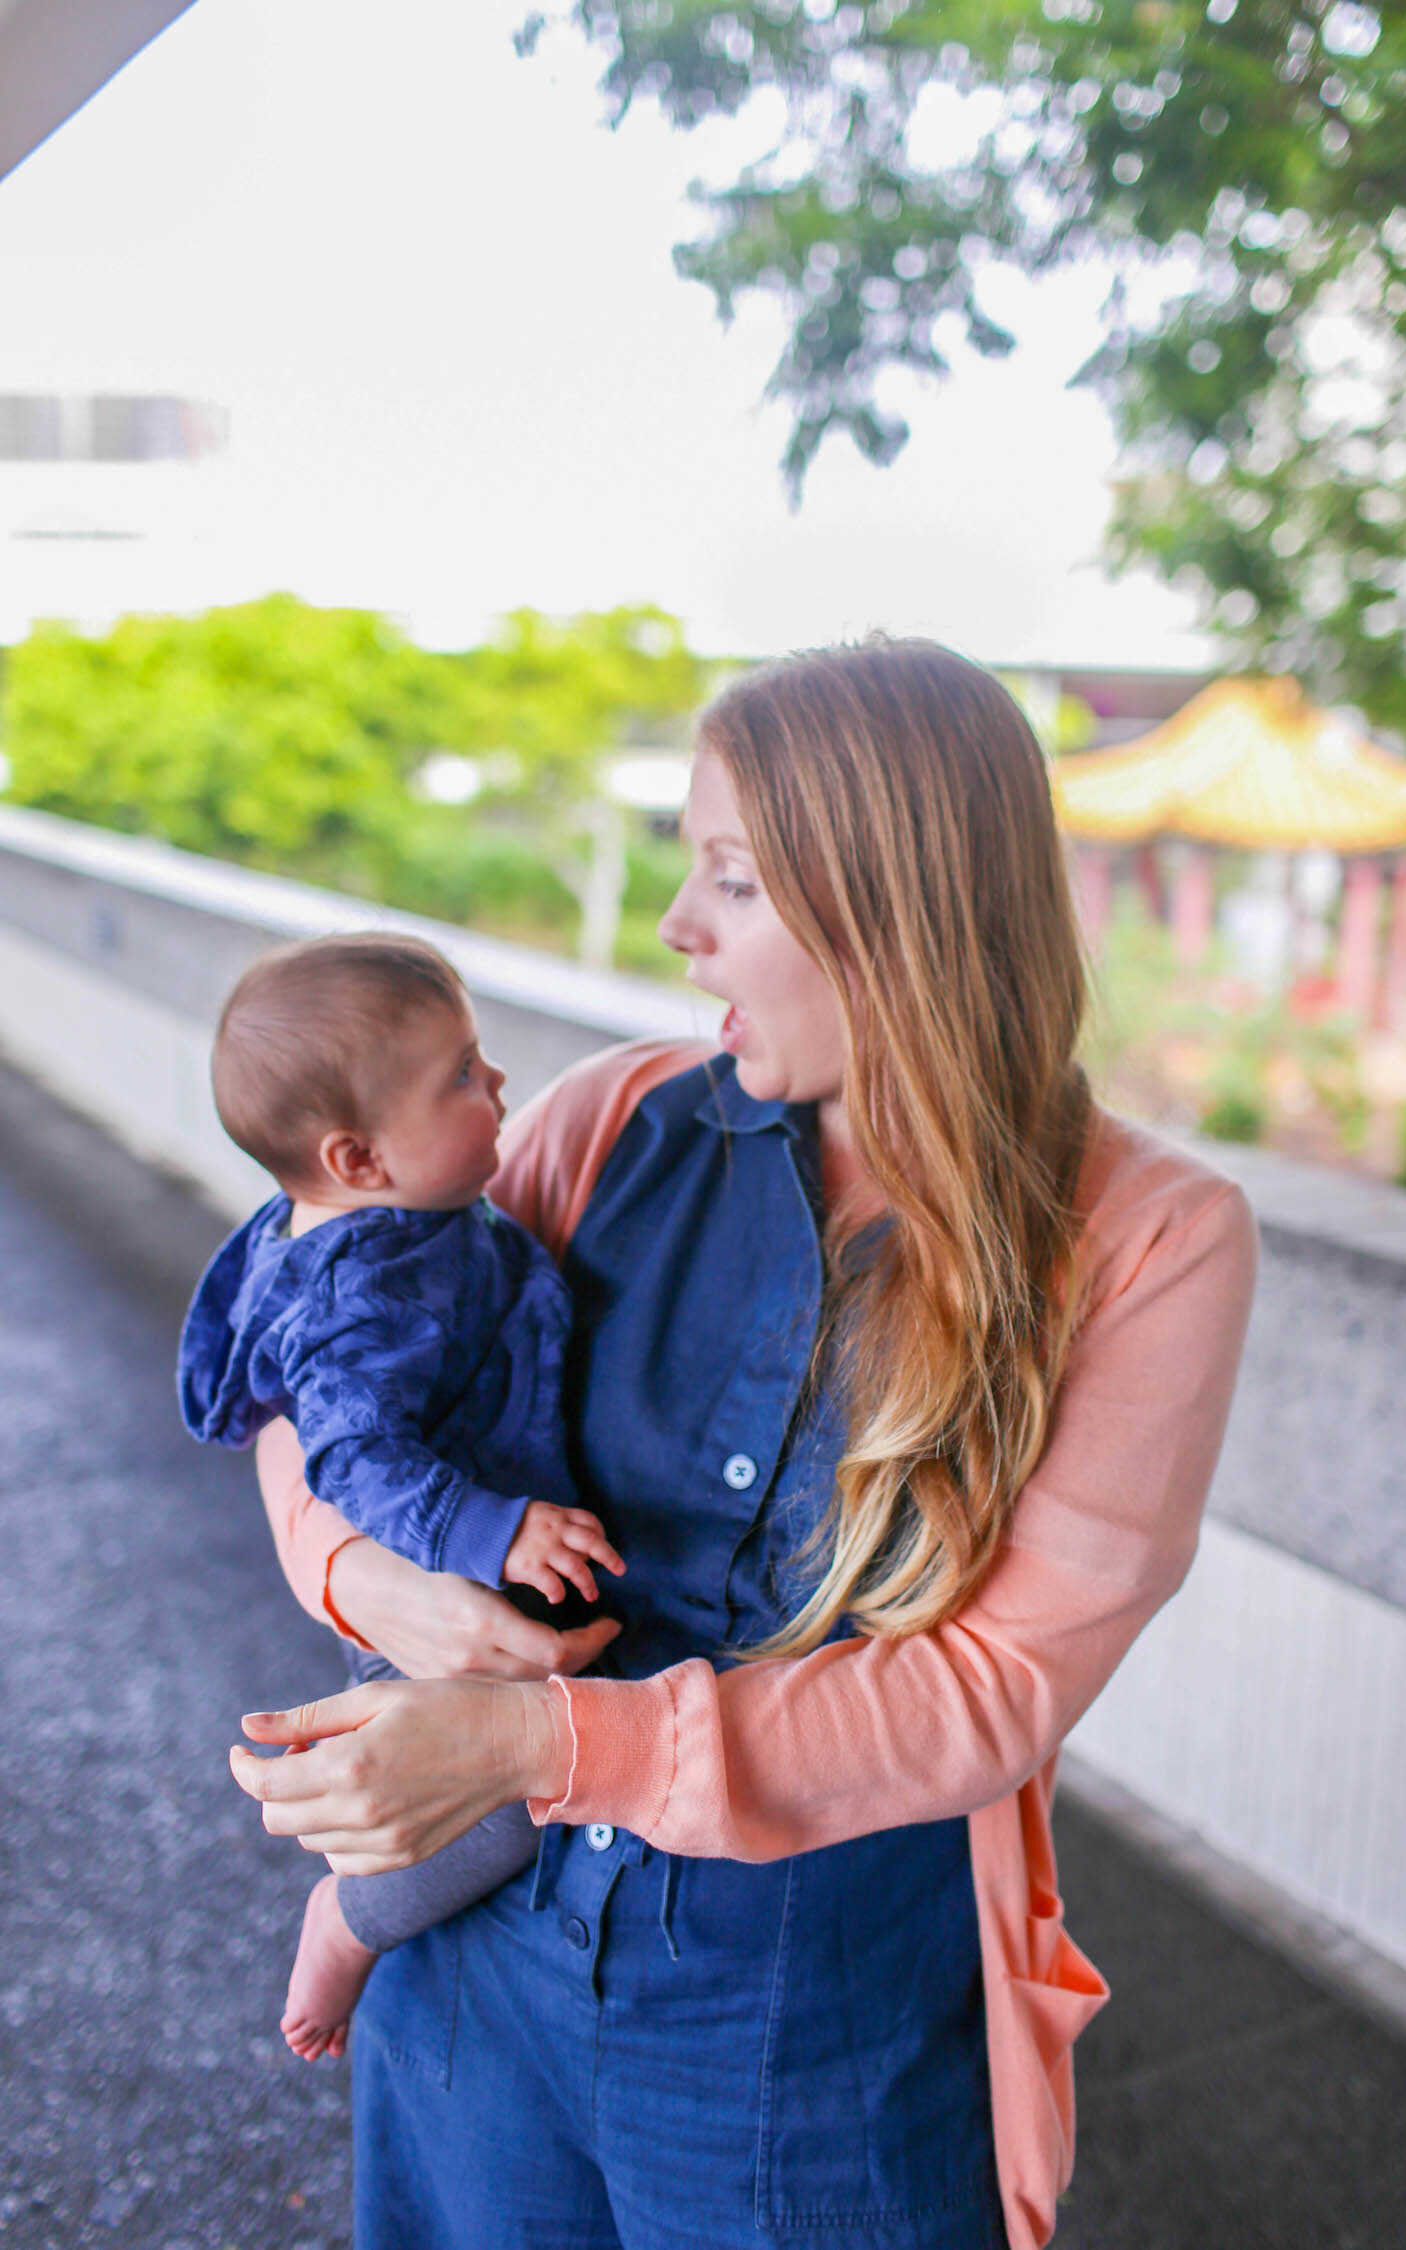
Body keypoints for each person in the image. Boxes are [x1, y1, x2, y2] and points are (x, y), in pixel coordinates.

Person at [230, 638, 1258, 2250]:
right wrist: (368, 1575)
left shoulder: (1151, 1239)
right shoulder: (602, 1118)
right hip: (470, 1953)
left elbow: (988, 1693)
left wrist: (537, 1747)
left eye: (732, 878)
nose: (674, 926)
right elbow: (314, 1363)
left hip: (811, 2034)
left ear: (894, 907)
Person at [178, 931, 623, 2060]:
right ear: (361, 1159)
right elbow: (353, 1458)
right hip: (442, 1596)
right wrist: (490, 1526)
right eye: (464, 1076)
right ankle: (351, 1920)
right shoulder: (366, 1292)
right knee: (507, 1816)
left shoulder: (385, 1218)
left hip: (469, 1579)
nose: (499, 1085)